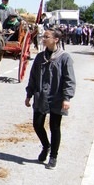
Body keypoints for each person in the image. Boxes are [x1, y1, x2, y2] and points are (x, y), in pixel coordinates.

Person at [25, 27, 76, 170]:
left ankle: (53, 156)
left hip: (57, 97)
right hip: (41, 95)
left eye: (47, 37)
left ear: (56, 39)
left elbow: (69, 79)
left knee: (55, 127)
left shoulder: (65, 58)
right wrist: (29, 94)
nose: (43, 39)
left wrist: (67, 98)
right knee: (37, 124)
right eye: (44, 36)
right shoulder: (40, 57)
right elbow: (33, 77)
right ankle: (46, 146)